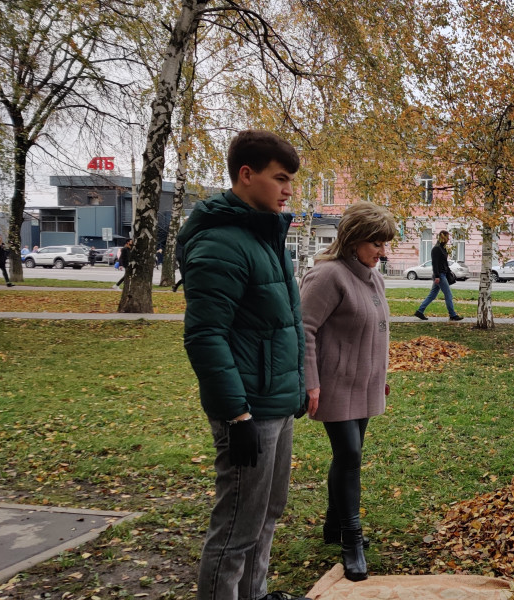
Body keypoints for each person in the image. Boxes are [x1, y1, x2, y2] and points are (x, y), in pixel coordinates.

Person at [177, 130, 309, 600]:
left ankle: (254, 595)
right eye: (281, 178)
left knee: (267, 514)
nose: (288, 189)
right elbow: (204, 336)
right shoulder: (221, 244)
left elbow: (282, 324)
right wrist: (237, 416)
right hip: (248, 410)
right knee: (236, 528)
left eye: (291, 180)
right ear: (246, 175)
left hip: (273, 404)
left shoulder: (263, 234)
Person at [299, 202, 396, 582]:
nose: (383, 252)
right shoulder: (327, 276)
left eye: (385, 244)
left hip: (367, 383)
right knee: (350, 455)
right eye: (376, 243)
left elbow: (375, 330)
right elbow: (303, 329)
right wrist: (311, 382)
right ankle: (351, 540)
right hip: (334, 384)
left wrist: (381, 374)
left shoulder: (373, 277)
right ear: (354, 239)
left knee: (347, 456)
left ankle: (333, 525)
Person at [414, 230, 462, 321]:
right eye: (447, 237)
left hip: (442, 274)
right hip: (440, 275)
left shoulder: (442, 248)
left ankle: (420, 311)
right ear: (442, 237)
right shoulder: (436, 249)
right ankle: (452, 315)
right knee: (448, 295)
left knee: (432, 295)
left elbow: (444, 263)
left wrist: (449, 271)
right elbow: (435, 263)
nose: (448, 239)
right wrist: (437, 276)